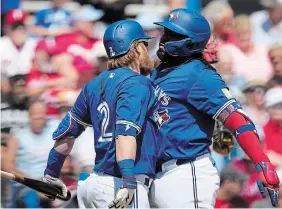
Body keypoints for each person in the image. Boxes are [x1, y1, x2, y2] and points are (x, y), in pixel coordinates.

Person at [149, 8, 280, 208]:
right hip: (159, 173)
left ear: (191, 42)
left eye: (173, 35)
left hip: (185, 172)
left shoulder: (200, 75)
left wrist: (262, 163)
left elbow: (239, 121)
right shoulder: (161, 71)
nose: (165, 39)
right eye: (166, 33)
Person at [42, 20, 163, 208]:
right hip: (121, 183)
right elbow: (124, 134)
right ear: (136, 49)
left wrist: (51, 172)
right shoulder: (137, 83)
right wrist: (128, 180)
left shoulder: (93, 85)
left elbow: (68, 132)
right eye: (144, 44)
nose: (147, 50)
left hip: (93, 185)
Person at [3, 101, 56, 208]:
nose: (39, 119)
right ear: (29, 116)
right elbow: (7, 165)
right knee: (32, 196)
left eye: (42, 115)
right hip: (26, 181)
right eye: (36, 115)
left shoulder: (53, 133)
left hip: (49, 179)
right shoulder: (18, 136)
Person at [220, 15, 273, 82]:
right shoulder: (228, 50)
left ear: (251, 33)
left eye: (245, 33)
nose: (242, 37)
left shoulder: (263, 49)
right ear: (233, 34)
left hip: (267, 87)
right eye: (239, 33)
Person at [0, 9, 37, 93]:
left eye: (22, 27)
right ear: (6, 28)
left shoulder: (34, 44)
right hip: (6, 87)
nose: (20, 31)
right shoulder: (1, 44)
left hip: (29, 86)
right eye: (15, 27)